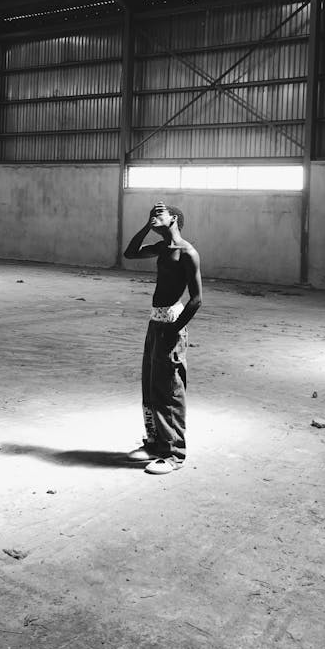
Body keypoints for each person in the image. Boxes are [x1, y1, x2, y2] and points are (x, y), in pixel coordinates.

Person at [123, 201, 202, 474]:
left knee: (170, 390)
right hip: (155, 321)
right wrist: (147, 224)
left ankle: (174, 454)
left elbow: (196, 299)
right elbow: (130, 253)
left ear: (174, 219)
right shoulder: (161, 248)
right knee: (151, 385)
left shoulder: (187, 252)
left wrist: (175, 327)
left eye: (159, 214)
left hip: (171, 324)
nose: (153, 217)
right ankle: (155, 443)